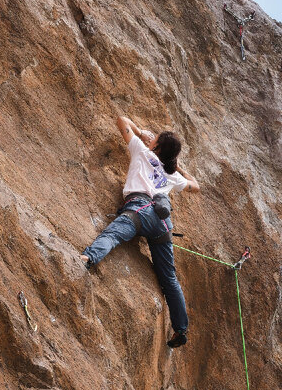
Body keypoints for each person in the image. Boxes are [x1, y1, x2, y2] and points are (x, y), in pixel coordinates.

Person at [80, 115, 200, 347]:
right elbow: (196, 185)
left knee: (113, 235)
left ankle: (87, 258)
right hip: (163, 223)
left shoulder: (141, 151)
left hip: (140, 208)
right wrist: (176, 165)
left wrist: (140, 131)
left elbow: (120, 120)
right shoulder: (173, 176)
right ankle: (181, 330)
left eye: (154, 140)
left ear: (154, 146)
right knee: (169, 278)